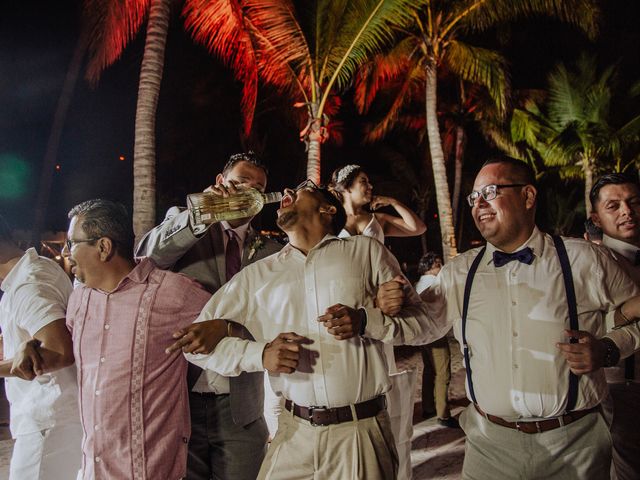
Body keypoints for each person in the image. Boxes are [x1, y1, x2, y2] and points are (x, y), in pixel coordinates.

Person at [379, 157, 640, 479]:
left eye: (490, 191)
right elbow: (420, 326)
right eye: (474, 198)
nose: (479, 204)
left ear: (528, 196)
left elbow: (635, 313)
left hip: (575, 445)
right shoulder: (459, 272)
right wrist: (381, 310)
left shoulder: (586, 260)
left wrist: (608, 348)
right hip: (489, 447)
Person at [167, 180, 445, 479]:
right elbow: (194, 346)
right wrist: (258, 355)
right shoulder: (258, 275)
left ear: (327, 208)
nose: (286, 192)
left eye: (301, 188)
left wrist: (367, 321)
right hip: (292, 435)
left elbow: (426, 326)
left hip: (359, 433)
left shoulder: (365, 252)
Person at [135, 152, 282, 479]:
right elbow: (146, 256)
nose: (249, 191)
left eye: (258, 187)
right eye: (242, 181)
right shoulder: (186, 225)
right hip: (179, 398)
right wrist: (203, 215)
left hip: (241, 406)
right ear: (220, 182)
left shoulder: (271, 252)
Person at [61, 199, 211, 479]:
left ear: (103, 247)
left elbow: (235, 318)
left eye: (72, 243)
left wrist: (225, 328)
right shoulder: (79, 298)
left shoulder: (172, 293)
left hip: (148, 470)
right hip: (93, 468)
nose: (65, 252)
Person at [0, 214, 81, 479]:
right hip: (56, 421)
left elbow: (59, 351)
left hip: (48, 422)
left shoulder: (28, 285)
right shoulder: (36, 269)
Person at [590, 172, 640, 480]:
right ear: (595, 219)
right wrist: (629, 310)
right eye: (614, 205)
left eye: (633, 202)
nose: (627, 211)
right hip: (620, 388)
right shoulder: (590, 264)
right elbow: (588, 326)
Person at [329, 164, 426, 242]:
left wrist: (393, 202)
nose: (370, 186)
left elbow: (419, 228)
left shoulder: (378, 220)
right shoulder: (331, 220)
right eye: (364, 181)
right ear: (347, 187)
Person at [415, 252, 458, 428]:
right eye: (438, 264)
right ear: (430, 267)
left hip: (423, 335)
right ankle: (444, 414)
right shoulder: (434, 283)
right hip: (435, 334)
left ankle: (428, 407)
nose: (441, 268)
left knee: (429, 371)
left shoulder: (419, 284)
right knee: (443, 373)